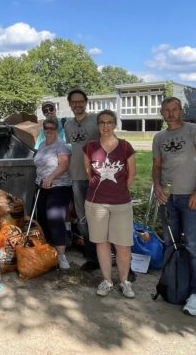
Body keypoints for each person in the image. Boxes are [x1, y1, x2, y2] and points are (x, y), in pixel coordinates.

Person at [152, 96, 196, 316]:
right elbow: (157, 166)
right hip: (168, 198)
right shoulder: (159, 137)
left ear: (181, 111)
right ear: (162, 113)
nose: (170, 113)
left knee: (194, 247)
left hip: (191, 197)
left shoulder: (195, 131)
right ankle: (173, 284)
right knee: (171, 244)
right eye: (166, 110)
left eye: (174, 109)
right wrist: (157, 186)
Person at [83, 110, 136, 298]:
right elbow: (89, 172)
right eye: (102, 122)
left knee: (123, 245)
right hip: (96, 204)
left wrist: (118, 190)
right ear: (98, 125)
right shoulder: (90, 147)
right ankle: (107, 281)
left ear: (115, 124)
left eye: (109, 122)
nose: (105, 125)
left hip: (121, 203)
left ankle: (124, 281)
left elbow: (131, 174)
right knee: (102, 243)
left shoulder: (125, 146)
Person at [64, 88, 100, 271]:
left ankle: (116, 257)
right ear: (70, 105)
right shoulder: (68, 125)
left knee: (103, 217)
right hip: (77, 177)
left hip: (97, 177)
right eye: (74, 102)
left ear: (86, 102)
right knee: (83, 218)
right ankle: (92, 257)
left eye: (80, 101)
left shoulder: (96, 120)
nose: (77, 104)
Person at [33, 118, 73, 269]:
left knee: (55, 217)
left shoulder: (61, 145)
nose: (49, 130)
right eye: (46, 128)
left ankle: (62, 256)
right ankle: (50, 253)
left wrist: (50, 178)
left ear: (57, 129)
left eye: (52, 128)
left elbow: (64, 165)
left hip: (59, 186)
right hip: (42, 187)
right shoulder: (42, 145)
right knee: (42, 219)